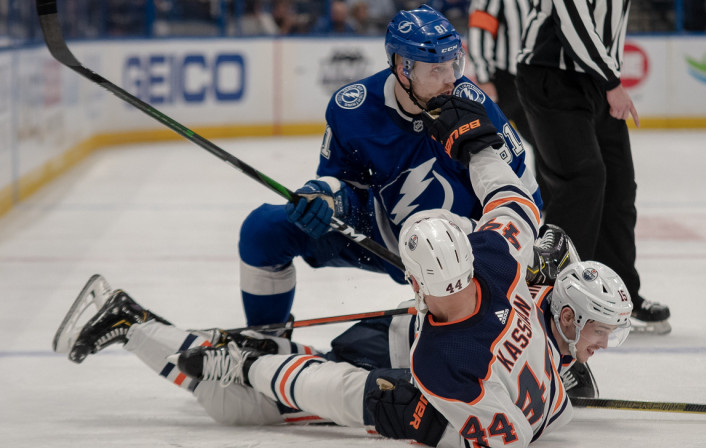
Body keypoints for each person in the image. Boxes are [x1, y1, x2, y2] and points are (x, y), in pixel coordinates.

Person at [54, 126, 633, 446]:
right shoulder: (495, 271)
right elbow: (510, 201)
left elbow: (506, 203)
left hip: (403, 357)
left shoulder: (492, 272)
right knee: (245, 407)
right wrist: (254, 364)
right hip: (404, 384)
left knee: (259, 390)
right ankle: (132, 323)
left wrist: (476, 142)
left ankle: (140, 326)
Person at [237, 5, 540, 331]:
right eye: (435, 70)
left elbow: (526, 201)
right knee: (264, 229)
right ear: (402, 68)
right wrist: (326, 196)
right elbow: (345, 186)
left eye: (454, 64)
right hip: (384, 238)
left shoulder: (475, 106)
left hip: (461, 252)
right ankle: (264, 341)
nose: (451, 80)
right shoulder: (352, 109)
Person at [515, 0, 671, 333]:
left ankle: (617, 295)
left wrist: (606, 81)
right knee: (581, 182)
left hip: (596, 80)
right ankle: (554, 298)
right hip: (553, 75)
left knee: (618, 186)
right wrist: (611, 82)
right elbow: (571, 16)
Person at [467, 0, 535, 146]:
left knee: (542, 143)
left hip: (531, 78)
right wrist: (484, 78)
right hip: (503, 80)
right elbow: (479, 34)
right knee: (491, 140)